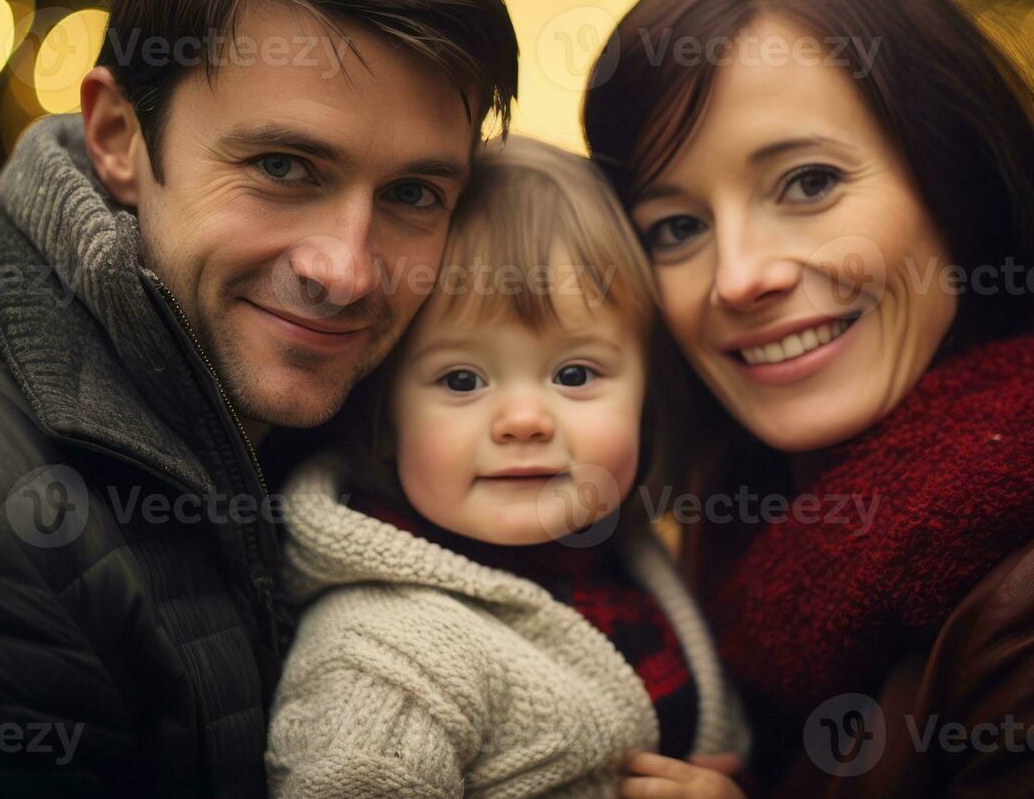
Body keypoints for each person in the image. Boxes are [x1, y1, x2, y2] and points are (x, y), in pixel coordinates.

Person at [0, 0, 516, 794]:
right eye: (283, 167)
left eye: (411, 192)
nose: (345, 271)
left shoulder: (397, 430)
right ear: (118, 137)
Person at [583, 0, 1034, 795]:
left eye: (807, 183)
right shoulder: (707, 571)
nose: (738, 277)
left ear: (951, 181)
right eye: (677, 228)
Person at [265, 138, 751, 796]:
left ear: (646, 398)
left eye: (574, 373)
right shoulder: (385, 661)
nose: (524, 420)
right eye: (462, 379)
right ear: (382, 420)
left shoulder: (623, 564)